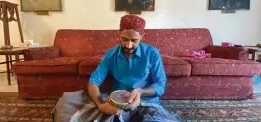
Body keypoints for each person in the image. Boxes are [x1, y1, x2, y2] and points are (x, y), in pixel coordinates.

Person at [52, 15, 184, 122]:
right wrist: (101, 105)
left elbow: (160, 85)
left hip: (145, 103)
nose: (129, 45)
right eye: (125, 39)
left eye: (134, 40)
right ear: (119, 34)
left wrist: (140, 92)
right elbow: (93, 81)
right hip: (116, 102)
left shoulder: (152, 53)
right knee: (67, 105)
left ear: (142, 37)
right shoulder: (111, 54)